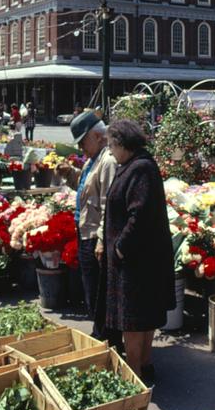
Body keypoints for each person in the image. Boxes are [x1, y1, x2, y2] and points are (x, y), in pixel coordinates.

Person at [95, 118, 175, 384]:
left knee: (133, 319)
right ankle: (145, 364)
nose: (109, 151)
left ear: (121, 144)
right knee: (144, 316)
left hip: (135, 260)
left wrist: (119, 248)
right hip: (143, 257)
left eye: (110, 145)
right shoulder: (137, 164)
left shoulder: (139, 169)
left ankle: (135, 374)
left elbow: (138, 215)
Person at [56, 111, 121, 352]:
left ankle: (106, 342)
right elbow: (87, 190)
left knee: (98, 294)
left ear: (97, 135)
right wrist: (70, 174)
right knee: (92, 291)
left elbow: (108, 205)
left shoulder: (108, 161)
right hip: (85, 232)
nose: (82, 147)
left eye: (83, 141)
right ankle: (102, 338)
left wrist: (102, 240)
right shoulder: (95, 158)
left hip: (94, 237)